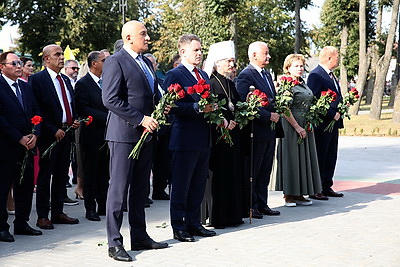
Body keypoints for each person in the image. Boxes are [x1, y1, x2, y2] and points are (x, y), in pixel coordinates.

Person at [102, 21, 168, 262]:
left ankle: (139, 235)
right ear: (128, 38)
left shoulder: (146, 63)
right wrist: (140, 119)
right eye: (143, 34)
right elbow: (109, 99)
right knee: (119, 190)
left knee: (141, 189)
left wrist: (162, 106)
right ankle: (114, 242)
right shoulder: (115, 61)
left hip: (146, 135)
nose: (148, 37)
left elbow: (150, 93)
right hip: (123, 135)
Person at [163, 34, 217, 242]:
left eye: (200, 49)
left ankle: (194, 223)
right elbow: (170, 106)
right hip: (184, 138)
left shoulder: (202, 74)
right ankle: (179, 226)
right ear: (183, 51)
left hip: (203, 137)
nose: (199, 53)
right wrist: (197, 107)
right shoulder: (174, 75)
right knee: (181, 184)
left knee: (197, 184)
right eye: (195, 50)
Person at [30, 44, 80, 230]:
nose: (61, 57)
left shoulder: (65, 80)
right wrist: (52, 129)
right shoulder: (38, 80)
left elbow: (69, 103)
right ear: (46, 59)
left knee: (61, 175)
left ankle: (58, 211)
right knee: (45, 175)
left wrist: (73, 120)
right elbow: (37, 109)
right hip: (49, 136)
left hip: (66, 133)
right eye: (57, 54)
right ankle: (42, 215)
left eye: (61, 54)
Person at [236, 41, 283, 219]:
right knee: (253, 170)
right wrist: (266, 115)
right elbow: (245, 102)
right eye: (266, 53)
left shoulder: (267, 74)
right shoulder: (246, 75)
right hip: (256, 130)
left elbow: (270, 98)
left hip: (269, 130)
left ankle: (263, 203)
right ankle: (251, 205)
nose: (269, 56)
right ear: (254, 55)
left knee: (265, 169)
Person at [0, 52, 42, 242]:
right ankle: (2, 227)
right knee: (2, 188)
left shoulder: (25, 87)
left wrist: (35, 133)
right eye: (14, 63)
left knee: (25, 186)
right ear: (2, 66)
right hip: (7, 146)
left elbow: (36, 111)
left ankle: (22, 223)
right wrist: (19, 138)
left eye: (20, 62)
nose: (19, 65)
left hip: (28, 145)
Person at [203, 40, 243, 228]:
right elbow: (210, 110)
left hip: (232, 136)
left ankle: (232, 215)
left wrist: (237, 118)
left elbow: (236, 105)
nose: (231, 65)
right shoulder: (211, 83)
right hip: (217, 137)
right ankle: (218, 217)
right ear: (217, 63)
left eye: (233, 61)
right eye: (228, 61)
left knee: (232, 175)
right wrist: (223, 122)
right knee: (219, 177)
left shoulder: (230, 83)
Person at [275, 54, 322, 206]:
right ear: (288, 68)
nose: (300, 68)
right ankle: (289, 194)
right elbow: (284, 108)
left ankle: (300, 192)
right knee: (292, 157)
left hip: (305, 122)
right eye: (296, 66)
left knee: (303, 157)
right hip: (291, 125)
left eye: (301, 66)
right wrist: (296, 126)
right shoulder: (286, 84)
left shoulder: (303, 83)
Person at [74, 51, 109, 221]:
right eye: (104, 60)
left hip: (107, 135)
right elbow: (83, 109)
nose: (107, 63)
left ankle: (104, 205)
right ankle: (90, 208)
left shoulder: (108, 81)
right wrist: (108, 117)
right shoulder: (83, 83)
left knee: (104, 172)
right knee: (91, 173)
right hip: (91, 135)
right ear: (94, 63)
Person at [307, 46, 344, 199]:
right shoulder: (316, 75)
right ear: (329, 58)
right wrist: (331, 113)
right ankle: (317, 188)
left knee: (331, 155)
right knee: (321, 155)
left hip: (333, 123)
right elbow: (314, 99)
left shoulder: (331, 75)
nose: (338, 60)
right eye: (337, 57)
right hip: (322, 124)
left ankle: (326, 185)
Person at [144, 53, 170, 201]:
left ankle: (159, 190)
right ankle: (145, 193)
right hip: (149, 125)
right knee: (148, 161)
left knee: (162, 160)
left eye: (153, 63)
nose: (151, 66)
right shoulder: (146, 82)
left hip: (163, 127)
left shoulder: (160, 81)